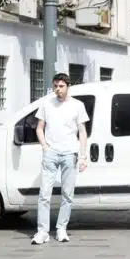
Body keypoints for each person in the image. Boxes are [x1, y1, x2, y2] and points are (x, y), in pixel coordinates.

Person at [32, 73, 89, 245]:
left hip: (70, 152)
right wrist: (45, 147)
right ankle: (42, 232)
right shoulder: (46, 104)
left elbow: (82, 132)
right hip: (51, 152)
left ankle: (61, 229)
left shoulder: (77, 105)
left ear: (67, 86)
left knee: (67, 194)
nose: (58, 89)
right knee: (44, 194)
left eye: (61, 86)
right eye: (55, 86)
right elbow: (39, 128)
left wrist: (82, 156)